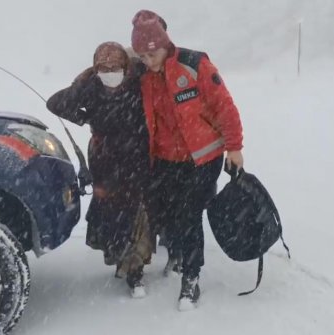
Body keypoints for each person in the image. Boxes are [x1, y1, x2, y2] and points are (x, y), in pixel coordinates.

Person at [131, 9, 245, 311]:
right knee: (169, 212)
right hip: (166, 160)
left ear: (164, 45)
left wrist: (234, 147)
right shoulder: (143, 76)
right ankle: (179, 253)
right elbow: (108, 70)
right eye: (142, 56)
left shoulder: (194, 65)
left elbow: (225, 106)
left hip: (202, 158)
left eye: (151, 54)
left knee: (190, 214)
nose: (148, 61)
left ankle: (190, 281)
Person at [46, 42, 153, 298]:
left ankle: (135, 271)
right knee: (112, 211)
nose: (109, 72)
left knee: (138, 211)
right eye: (103, 68)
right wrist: (82, 109)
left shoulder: (139, 82)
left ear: (125, 66)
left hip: (137, 156)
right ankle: (119, 258)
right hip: (104, 158)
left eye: (114, 67)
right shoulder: (91, 86)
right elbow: (56, 103)